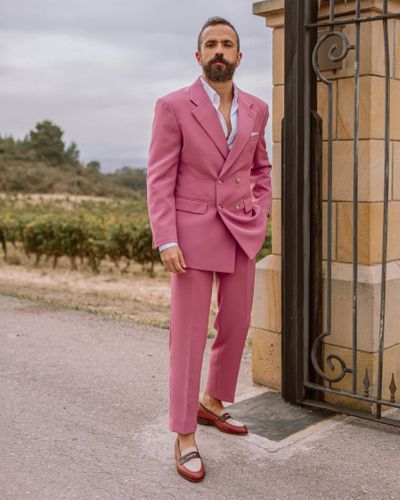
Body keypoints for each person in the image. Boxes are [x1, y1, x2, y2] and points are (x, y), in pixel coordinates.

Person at [146, 16, 272, 482]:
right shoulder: (174, 106)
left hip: (241, 231)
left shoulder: (257, 108)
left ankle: (212, 403)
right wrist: (167, 238)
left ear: (240, 55)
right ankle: (183, 435)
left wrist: (260, 210)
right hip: (191, 236)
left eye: (228, 44)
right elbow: (159, 177)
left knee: (236, 324)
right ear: (198, 56)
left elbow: (262, 168)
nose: (220, 50)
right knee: (189, 336)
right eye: (211, 44)